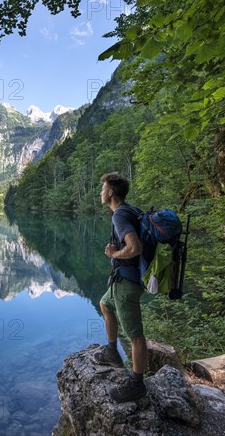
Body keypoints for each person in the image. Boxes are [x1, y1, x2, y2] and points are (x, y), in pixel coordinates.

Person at [94, 172, 148, 402]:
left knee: (135, 336)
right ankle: (112, 352)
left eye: (102, 188)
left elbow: (135, 248)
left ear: (111, 192)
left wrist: (115, 253)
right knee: (105, 304)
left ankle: (137, 384)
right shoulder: (129, 210)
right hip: (123, 279)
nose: (100, 192)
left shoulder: (120, 216)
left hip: (127, 282)